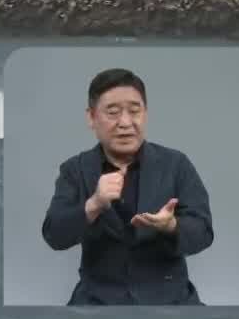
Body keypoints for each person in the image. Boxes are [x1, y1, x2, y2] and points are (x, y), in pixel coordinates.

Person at [41, 67, 214, 305]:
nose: (125, 122)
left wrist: (172, 226)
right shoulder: (75, 170)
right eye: (112, 112)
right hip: (97, 300)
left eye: (135, 111)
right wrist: (94, 205)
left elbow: (203, 232)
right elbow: (54, 235)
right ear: (91, 117)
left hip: (171, 301)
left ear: (146, 114)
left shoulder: (175, 164)